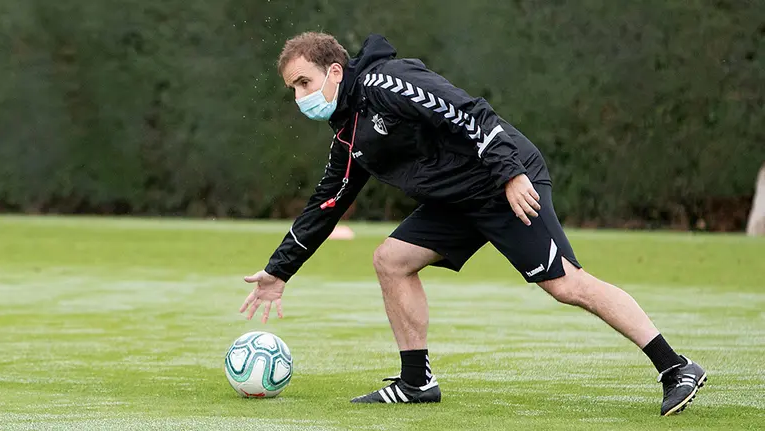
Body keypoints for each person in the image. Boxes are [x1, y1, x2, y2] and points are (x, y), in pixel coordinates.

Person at [239, 32, 706, 415]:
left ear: (335, 71)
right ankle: (416, 383)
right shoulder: (347, 133)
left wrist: (510, 173)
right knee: (391, 260)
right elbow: (328, 203)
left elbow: (470, 112)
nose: (300, 97)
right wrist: (279, 271)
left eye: (304, 82)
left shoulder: (387, 82)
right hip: (456, 200)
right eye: (293, 88)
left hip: (501, 181)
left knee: (567, 285)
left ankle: (675, 366)